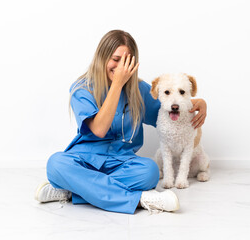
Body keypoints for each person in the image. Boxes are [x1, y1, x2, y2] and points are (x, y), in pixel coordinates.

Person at [34, 30, 207, 214]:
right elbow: (99, 129)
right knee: (56, 165)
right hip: (85, 160)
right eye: (116, 60)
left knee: (150, 172)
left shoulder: (138, 89)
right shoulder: (82, 88)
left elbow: (169, 108)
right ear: (102, 57)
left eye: (127, 61)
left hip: (123, 163)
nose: (121, 67)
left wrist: (199, 103)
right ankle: (140, 200)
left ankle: (72, 190)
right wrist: (117, 85)